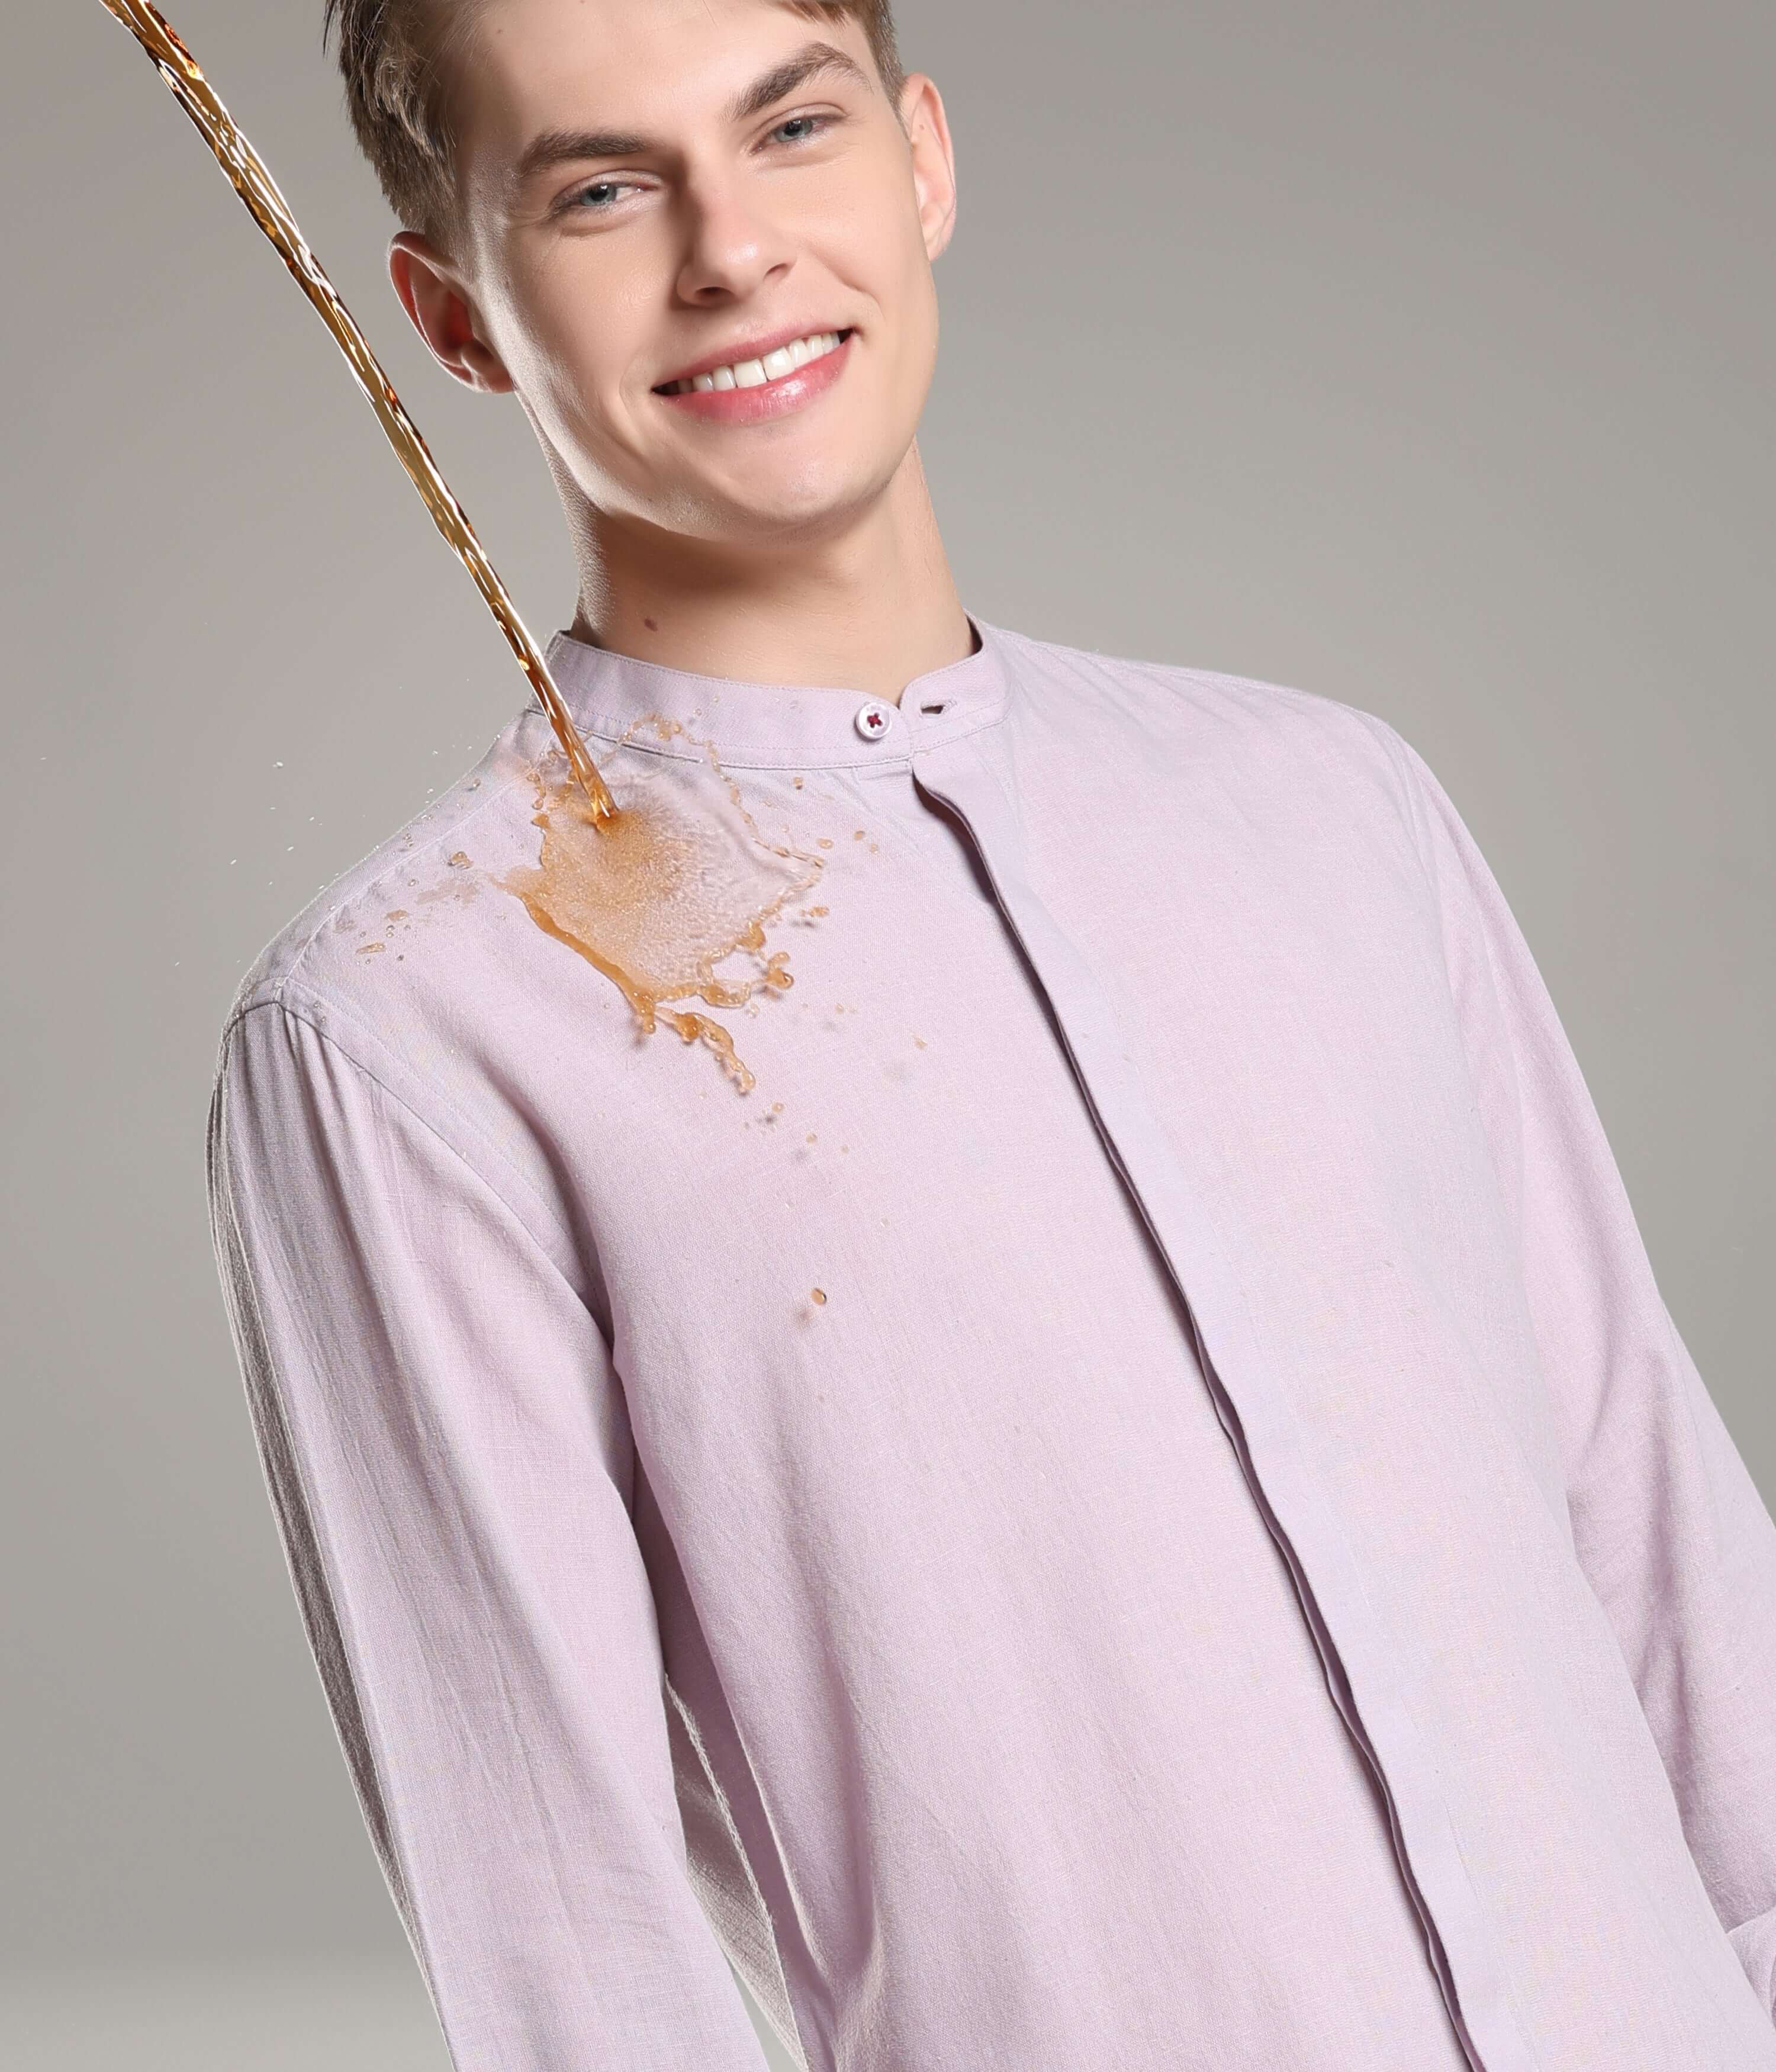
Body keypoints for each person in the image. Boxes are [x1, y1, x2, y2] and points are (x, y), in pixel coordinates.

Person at [205, 2, 1776, 2067]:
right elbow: (566, 1925)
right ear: (455, 317)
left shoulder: (1328, 803)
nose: (733, 247)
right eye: (599, 187)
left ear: (922, 158)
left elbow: (1653, 1535)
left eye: (791, 129)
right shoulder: (412, 1024)